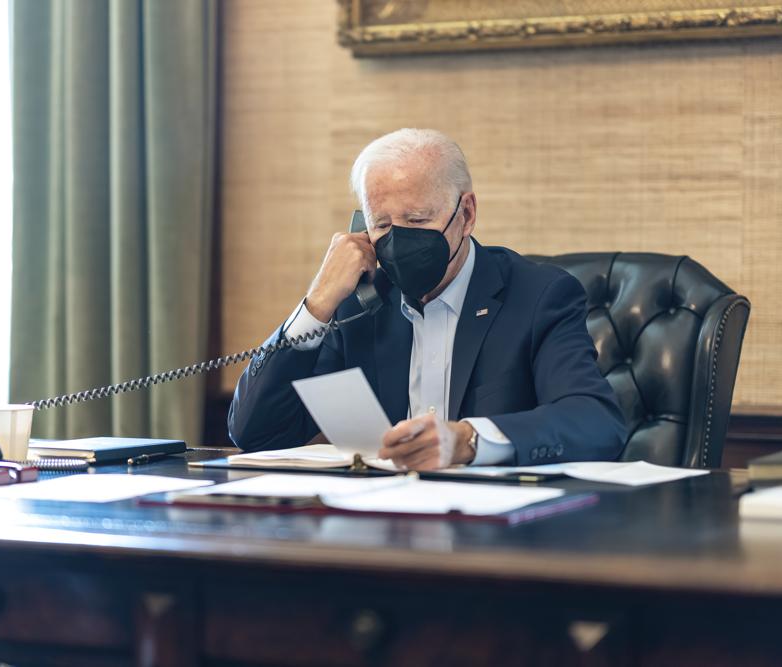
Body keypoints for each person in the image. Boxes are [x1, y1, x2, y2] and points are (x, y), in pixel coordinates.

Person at [228, 128, 626, 470]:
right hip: (380, 526)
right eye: (381, 224)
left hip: (495, 533)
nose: (399, 239)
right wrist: (316, 304)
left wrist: (467, 441)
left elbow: (595, 422)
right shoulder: (358, 304)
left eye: (418, 220)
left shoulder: (540, 296)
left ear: (466, 214)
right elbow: (257, 432)